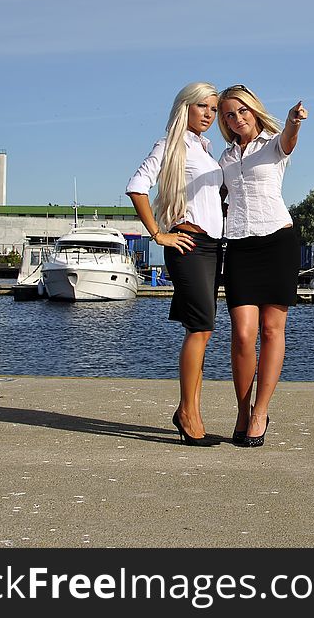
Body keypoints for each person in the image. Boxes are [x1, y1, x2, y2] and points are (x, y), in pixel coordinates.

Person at [126, 82, 224, 446]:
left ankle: (192, 411)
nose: (209, 115)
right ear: (185, 107)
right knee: (200, 329)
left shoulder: (204, 147)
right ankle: (187, 413)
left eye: (214, 109)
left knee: (201, 330)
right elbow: (137, 185)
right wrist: (157, 233)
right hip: (187, 244)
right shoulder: (170, 143)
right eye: (203, 107)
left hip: (211, 247)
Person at [216, 85, 307, 447]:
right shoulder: (221, 158)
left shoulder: (273, 144)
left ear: (253, 111)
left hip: (277, 242)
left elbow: (289, 138)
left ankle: (260, 412)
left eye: (242, 111)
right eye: (228, 115)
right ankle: (242, 408)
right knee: (242, 334)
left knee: (272, 331)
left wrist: (293, 121)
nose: (236, 119)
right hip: (238, 244)